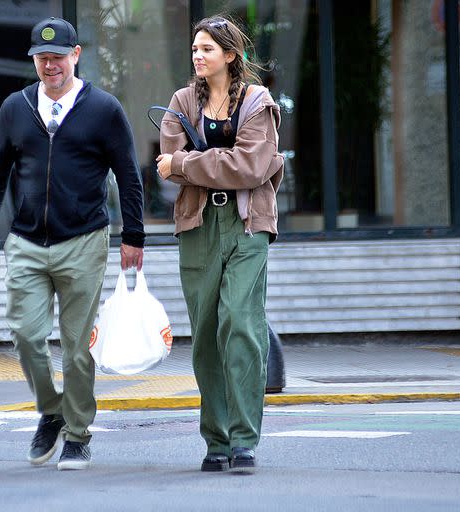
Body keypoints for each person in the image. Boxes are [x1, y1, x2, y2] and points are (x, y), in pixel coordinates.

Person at [0, 17, 145, 471]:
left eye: (57, 56)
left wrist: (134, 235)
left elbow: (128, 174)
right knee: (27, 338)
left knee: (74, 347)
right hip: (26, 241)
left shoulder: (104, 109)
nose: (49, 65)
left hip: (84, 240)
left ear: (76, 55)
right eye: (41, 58)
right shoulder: (15, 107)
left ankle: (78, 433)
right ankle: (51, 411)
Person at [156, 15, 284, 472]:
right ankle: (216, 441)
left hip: (247, 224)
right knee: (207, 334)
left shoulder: (257, 101)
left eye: (207, 49)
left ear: (230, 55)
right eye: (195, 48)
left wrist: (187, 162)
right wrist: (198, 163)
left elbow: (251, 167)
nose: (197, 55)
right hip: (197, 225)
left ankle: (244, 440)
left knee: (241, 324)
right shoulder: (181, 101)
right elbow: (164, 164)